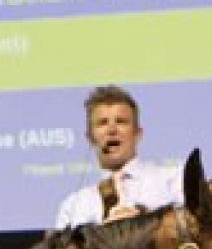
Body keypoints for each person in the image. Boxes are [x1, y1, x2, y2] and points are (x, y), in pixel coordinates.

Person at [54, 85, 180, 229]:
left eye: (121, 121)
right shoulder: (73, 207)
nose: (112, 130)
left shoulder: (173, 181)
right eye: (102, 123)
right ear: (90, 137)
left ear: (138, 134)